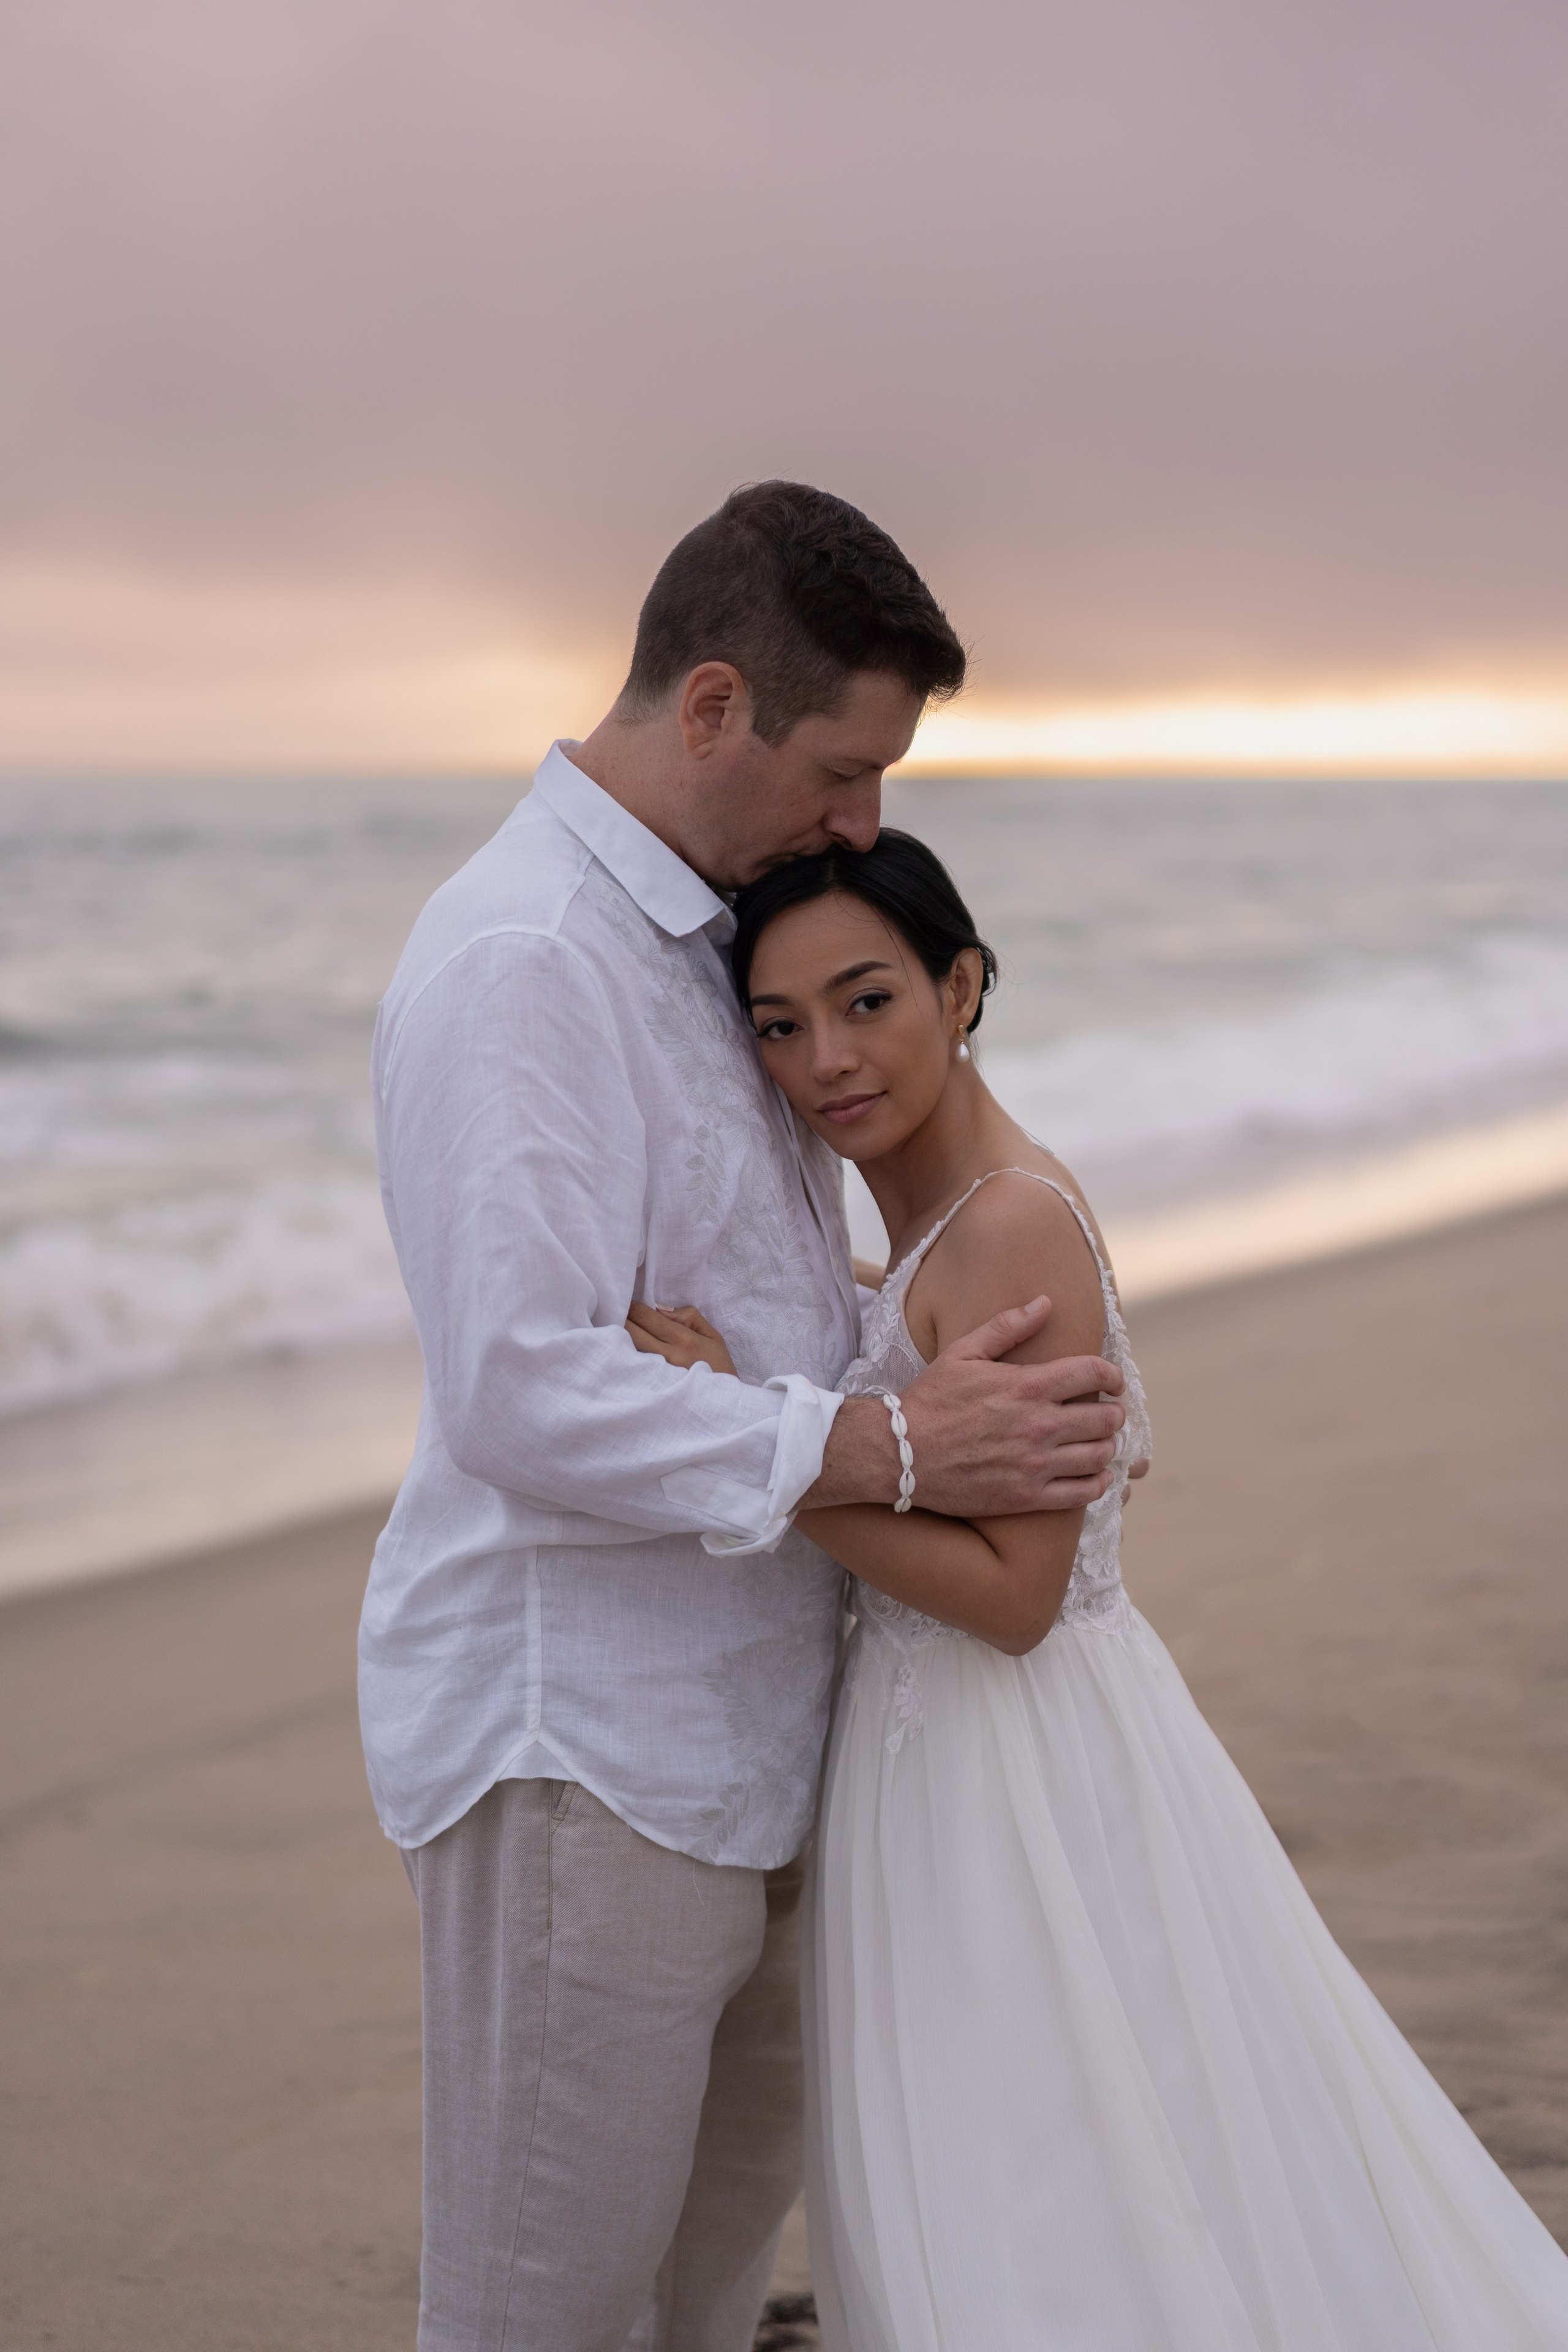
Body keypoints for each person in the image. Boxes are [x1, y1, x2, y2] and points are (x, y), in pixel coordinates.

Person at [358, 483, 1129, 2351]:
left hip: (767, 1747)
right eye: (845, 772)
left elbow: (745, 1298)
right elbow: (522, 1387)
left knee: (695, 2307)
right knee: (543, 2318)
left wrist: (885, 1341)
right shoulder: (527, 957)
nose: (864, 824)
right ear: (714, 708)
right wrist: (896, 1447)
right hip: (588, 1753)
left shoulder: (713, 947)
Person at [634, 828, 1568, 2350]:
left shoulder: (1008, 1220)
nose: (825, 1063)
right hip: (943, 1751)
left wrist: (761, 1448)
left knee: (1049, 2169)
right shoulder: (948, 1217)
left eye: (867, 1001)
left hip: (1015, 1764)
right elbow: (924, 1341)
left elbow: (1013, 1598)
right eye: (778, 1025)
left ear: (960, 986)